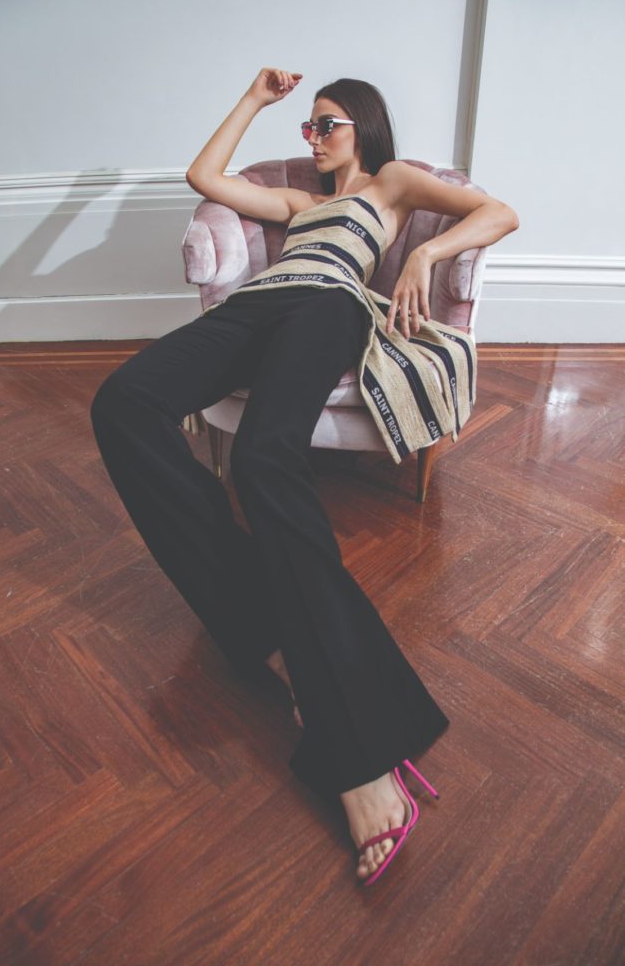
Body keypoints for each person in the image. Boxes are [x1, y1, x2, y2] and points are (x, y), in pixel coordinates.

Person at [89, 67, 519, 885]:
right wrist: (256, 100)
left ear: (362, 125)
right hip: (258, 306)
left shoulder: (390, 184)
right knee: (122, 403)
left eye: (327, 125)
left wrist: (427, 246)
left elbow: (500, 212)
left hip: (328, 305)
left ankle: (357, 751)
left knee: (261, 457)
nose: (315, 140)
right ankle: (271, 626)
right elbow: (204, 179)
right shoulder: (297, 206)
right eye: (309, 129)